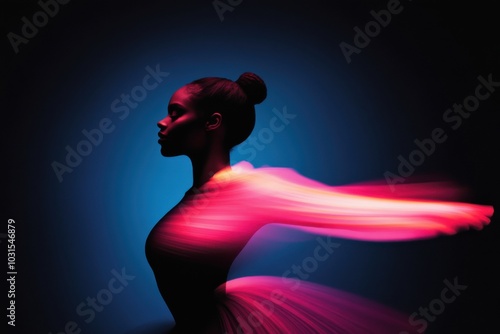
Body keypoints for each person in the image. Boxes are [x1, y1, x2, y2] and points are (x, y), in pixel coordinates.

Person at [145, 72, 494, 333]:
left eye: (176, 113)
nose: (163, 122)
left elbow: (349, 210)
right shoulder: (195, 197)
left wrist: (449, 213)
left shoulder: (251, 189)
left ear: (213, 122)